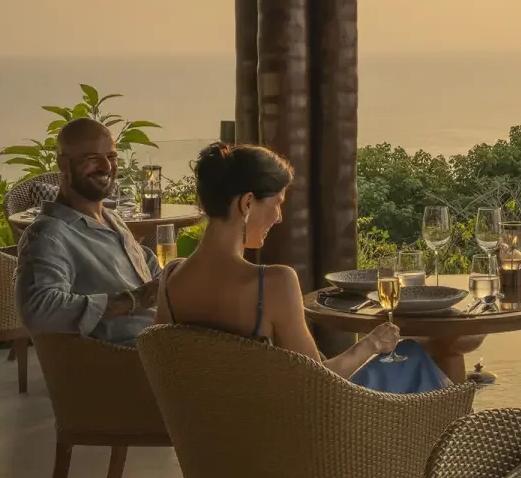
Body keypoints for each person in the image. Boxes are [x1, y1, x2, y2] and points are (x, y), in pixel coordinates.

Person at [157, 141, 452, 392]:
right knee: (413, 356)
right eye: (278, 203)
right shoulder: (273, 283)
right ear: (247, 204)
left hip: (222, 438)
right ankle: (451, 452)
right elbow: (317, 381)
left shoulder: (171, 280)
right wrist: (372, 344)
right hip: (298, 435)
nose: (279, 217)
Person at [15, 118, 160, 344]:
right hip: (123, 362)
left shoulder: (111, 219)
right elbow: (39, 309)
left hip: (160, 345)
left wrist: (179, 275)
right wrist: (130, 301)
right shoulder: (48, 235)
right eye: (92, 159)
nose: (106, 167)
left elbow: (142, 270)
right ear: (64, 164)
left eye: (111, 157)